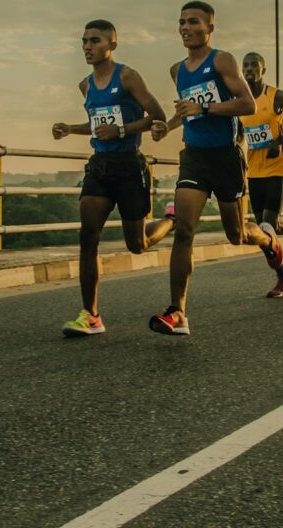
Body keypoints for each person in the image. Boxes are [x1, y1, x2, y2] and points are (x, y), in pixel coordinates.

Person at [147, 1, 283, 336]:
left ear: (210, 27)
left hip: (226, 157)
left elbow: (247, 104)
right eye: (181, 21)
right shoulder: (177, 70)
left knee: (236, 235)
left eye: (193, 21)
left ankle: (268, 241)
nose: (185, 27)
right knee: (185, 231)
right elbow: (187, 110)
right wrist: (168, 126)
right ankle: (177, 312)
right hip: (194, 157)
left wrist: (205, 107)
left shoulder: (221, 60)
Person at [53, 19, 175, 337]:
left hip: (129, 167)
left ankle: (169, 221)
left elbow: (157, 116)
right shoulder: (86, 84)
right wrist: (71, 128)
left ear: (111, 45)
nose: (87, 47)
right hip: (99, 167)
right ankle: (91, 315)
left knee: (138, 244)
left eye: (94, 41)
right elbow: (96, 124)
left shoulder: (127, 76)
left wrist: (121, 130)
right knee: (88, 236)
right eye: (84, 41)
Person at [238, 51, 283, 298]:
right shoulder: (241, 100)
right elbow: (239, 134)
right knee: (265, 231)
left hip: (276, 168)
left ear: (262, 70)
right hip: (253, 171)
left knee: (267, 225)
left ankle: (282, 279)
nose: (249, 69)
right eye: (245, 65)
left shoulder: (275, 96)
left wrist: (281, 140)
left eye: (254, 65)